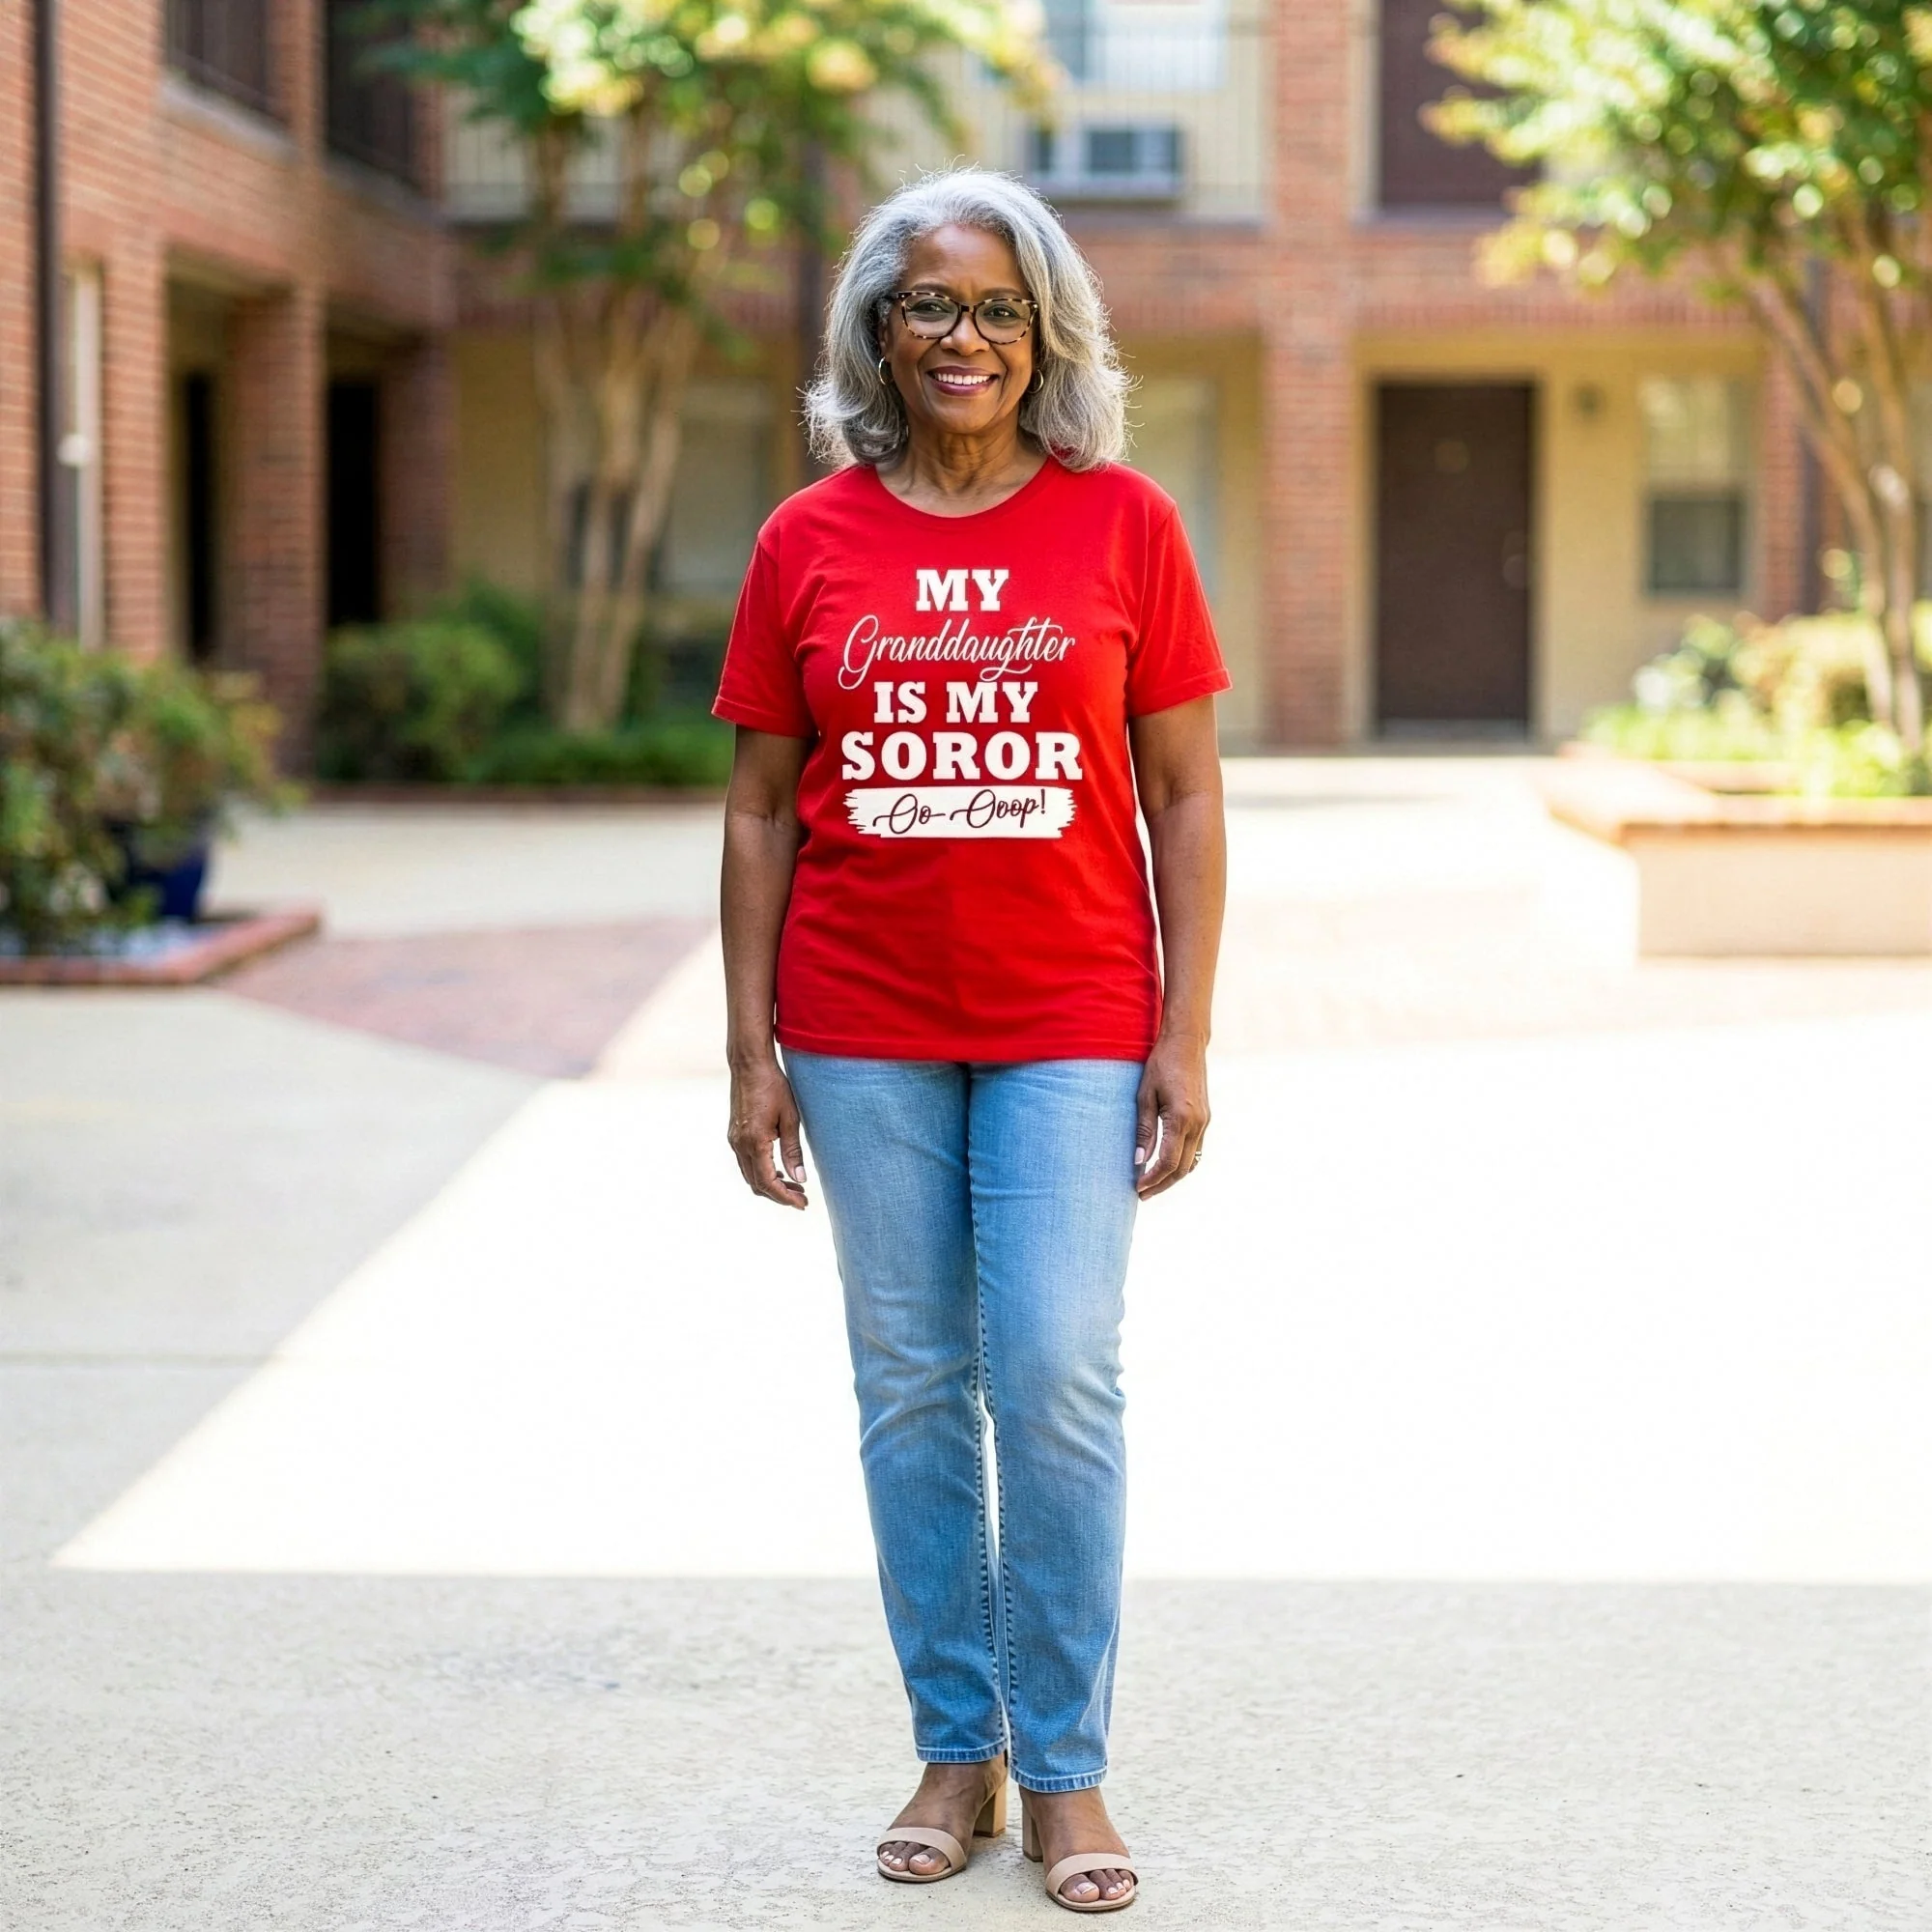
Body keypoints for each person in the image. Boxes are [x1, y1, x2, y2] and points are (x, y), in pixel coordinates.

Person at [714, 166, 1228, 1915]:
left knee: (1058, 1372)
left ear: (1045, 331)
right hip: (858, 1021)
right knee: (915, 1384)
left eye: (998, 308)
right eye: (931, 304)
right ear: (878, 322)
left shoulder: (1124, 524)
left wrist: (1190, 1030)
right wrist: (745, 1048)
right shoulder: (809, 540)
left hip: (1074, 1014)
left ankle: (1067, 1767)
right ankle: (960, 1745)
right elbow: (761, 808)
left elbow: (1181, 788)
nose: (965, 336)